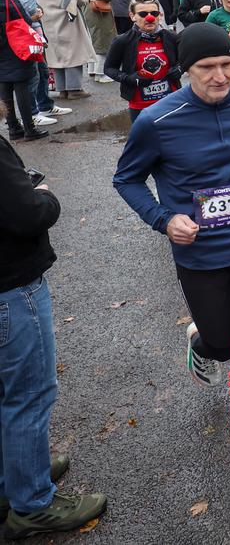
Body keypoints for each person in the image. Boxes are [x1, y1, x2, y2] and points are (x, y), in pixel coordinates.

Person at [112, 23, 230, 464]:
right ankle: (204, 343)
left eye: (227, 65)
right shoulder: (157, 120)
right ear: (184, 71)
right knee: (225, 344)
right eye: (207, 68)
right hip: (201, 254)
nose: (219, 76)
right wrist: (164, 218)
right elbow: (127, 178)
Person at [0, 106, 108, 536]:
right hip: (11, 288)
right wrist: (44, 195)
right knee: (28, 394)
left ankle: (15, 478)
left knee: (5, 391)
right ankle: (32, 504)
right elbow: (27, 214)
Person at [103, 0, 182, 122]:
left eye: (154, 13)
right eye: (143, 14)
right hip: (140, 105)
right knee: (144, 141)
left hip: (170, 101)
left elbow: (184, 60)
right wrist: (128, 79)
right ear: (132, 16)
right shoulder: (123, 41)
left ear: (159, 15)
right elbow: (108, 68)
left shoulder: (171, 37)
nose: (149, 18)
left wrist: (180, 68)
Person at [35, 0, 94, 100]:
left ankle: (62, 90)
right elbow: (82, 1)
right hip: (69, 23)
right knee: (73, 56)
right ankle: (74, 89)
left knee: (57, 57)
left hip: (48, 24)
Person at [0, 0, 44, 141]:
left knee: (4, 89)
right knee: (22, 88)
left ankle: (13, 128)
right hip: (15, 47)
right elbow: (24, 20)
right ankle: (29, 128)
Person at [81, 0, 117, 82]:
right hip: (98, 12)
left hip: (87, 9)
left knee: (93, 39)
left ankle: (92, 69)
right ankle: (100, 73)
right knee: (103, 40)